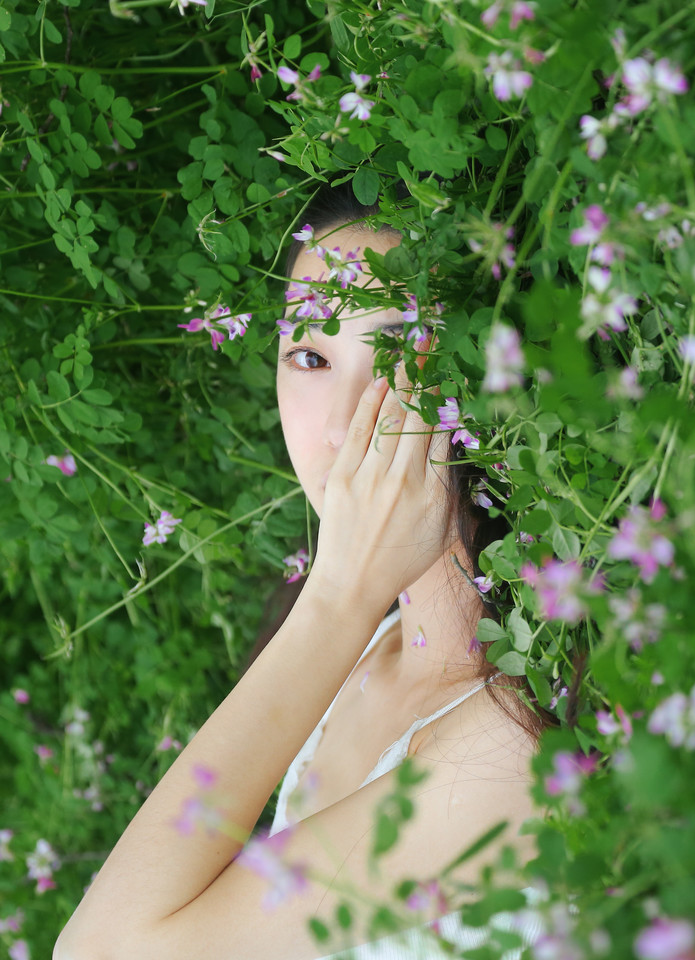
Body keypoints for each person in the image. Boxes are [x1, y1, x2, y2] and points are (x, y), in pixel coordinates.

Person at [55, 185, 549, 960]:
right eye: (310, 357)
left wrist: (341, 593)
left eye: (401, 354)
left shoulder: (516, 741)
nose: (346, 421)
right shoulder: (359, 653)